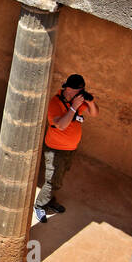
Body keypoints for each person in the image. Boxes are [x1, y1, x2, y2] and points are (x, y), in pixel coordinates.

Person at [34, 74, 97, 223]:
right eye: (78, 90)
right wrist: (74, 107)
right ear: (68, 89)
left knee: (59, 176)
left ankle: (50, 201)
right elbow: (61, 125)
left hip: (70, 148)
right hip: (56, 149)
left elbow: (94, 113)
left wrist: (91, 102)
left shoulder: (78, 100)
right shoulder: (55, 104)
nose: (80, 93)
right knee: (52, 179)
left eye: (82, 90)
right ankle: (39, 205)